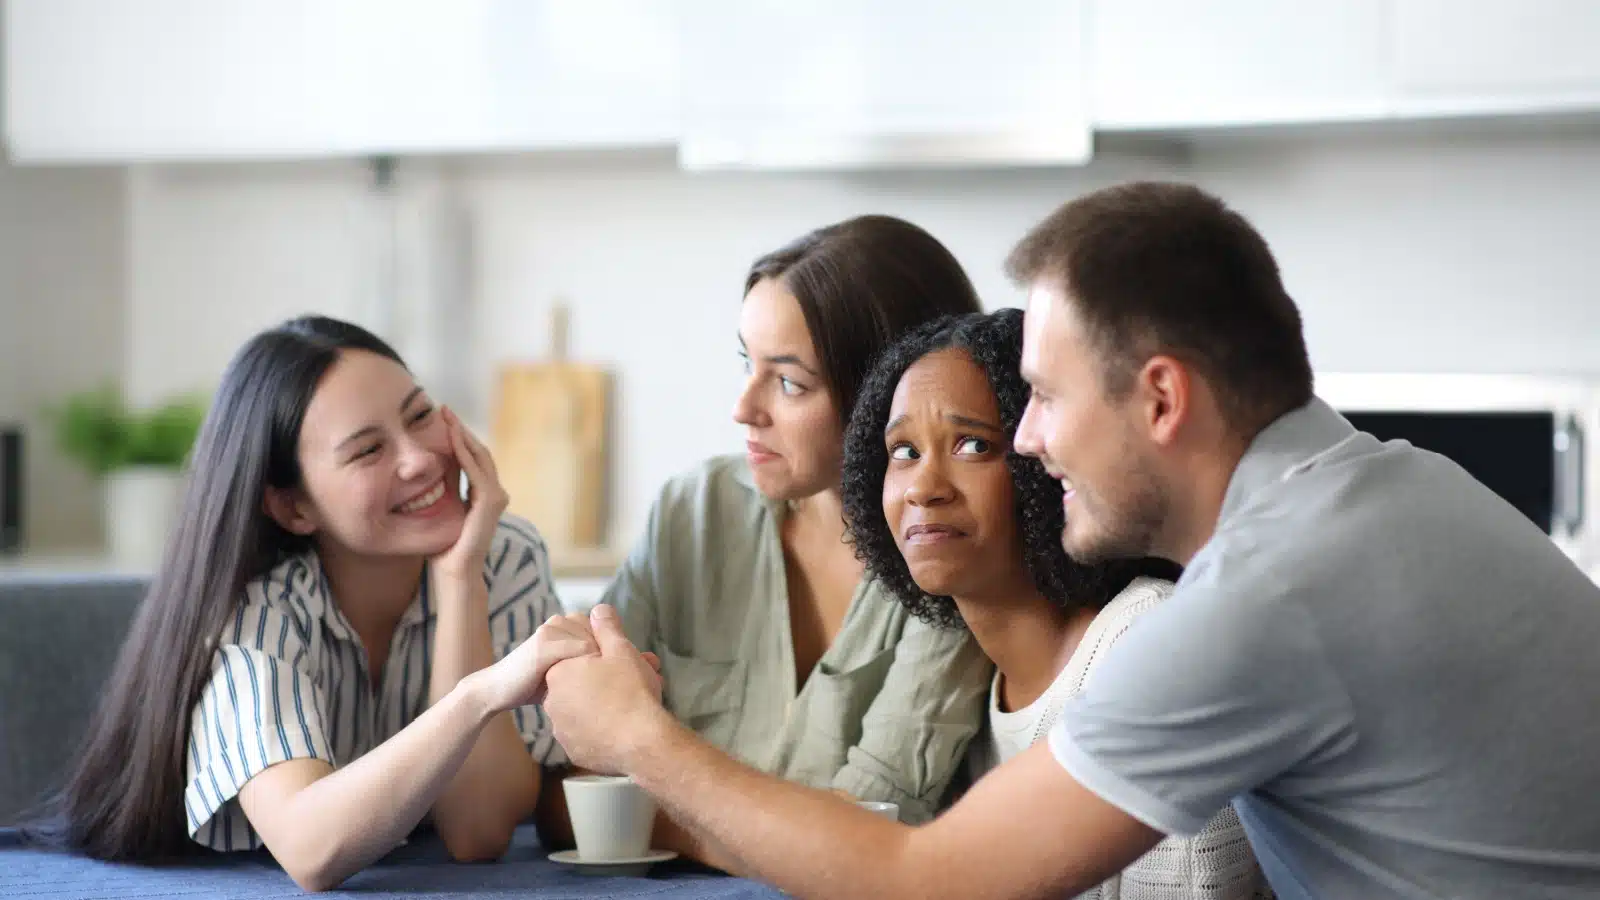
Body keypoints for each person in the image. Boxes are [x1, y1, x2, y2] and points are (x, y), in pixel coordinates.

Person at [537, 182, 1600, 899]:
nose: (1031, 440)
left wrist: (635, 740)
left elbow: (930, 883)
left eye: (1040, 397)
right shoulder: (1393, 489)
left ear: (1162, 399)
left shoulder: (1261, 596)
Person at [32, 316, 601, 892]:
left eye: (420, 415)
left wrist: (460, 584)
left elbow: (477, 834)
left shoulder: (502, 555)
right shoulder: (256, 605)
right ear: (293, 508)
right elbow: (311, 850)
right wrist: (478, 695)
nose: (420, 460)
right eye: (368, 450)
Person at [537, 216, 993, 858]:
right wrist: (773, 833)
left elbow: (864, 847)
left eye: (788, 382)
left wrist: (648, 792)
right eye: (746, 364)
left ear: (889, 392)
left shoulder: (951, 549)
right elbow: (568, 791)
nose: (743, 409)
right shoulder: (692, 512)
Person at [839, 308, 1265, 898]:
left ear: (1049, 463)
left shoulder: (1150, 645)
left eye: (971, 445)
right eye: (904, 451)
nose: (923, 486)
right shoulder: (976, 705)